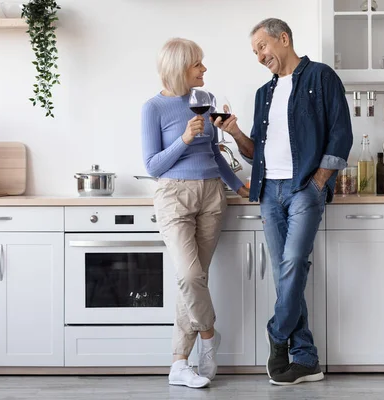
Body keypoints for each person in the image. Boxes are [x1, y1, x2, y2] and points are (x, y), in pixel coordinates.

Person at [212, 18, 353, 385]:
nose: (260, 56)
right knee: (284, 273)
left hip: (304, 187)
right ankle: (305, 358)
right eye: (255, 51)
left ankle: (277, 333)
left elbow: (340, 134)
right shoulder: (264, 94)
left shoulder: (322, 77)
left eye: (262, 47)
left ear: (284, 39)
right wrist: (235, 132)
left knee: (292, 262)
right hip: (268, 192)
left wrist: (318, 183)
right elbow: (254, 151)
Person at [141, 37, 249, 389]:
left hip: (212, 195)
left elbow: (215, 154)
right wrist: (184, 139)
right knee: (189, 276)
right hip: (173, 196)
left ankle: (178, 363)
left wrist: (237, 185)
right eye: (198, 64)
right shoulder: (153, 108)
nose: (204, 69)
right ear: (179, 68)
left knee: (194, 279)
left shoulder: (205, 100)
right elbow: (153, 165)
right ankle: (207, 336)